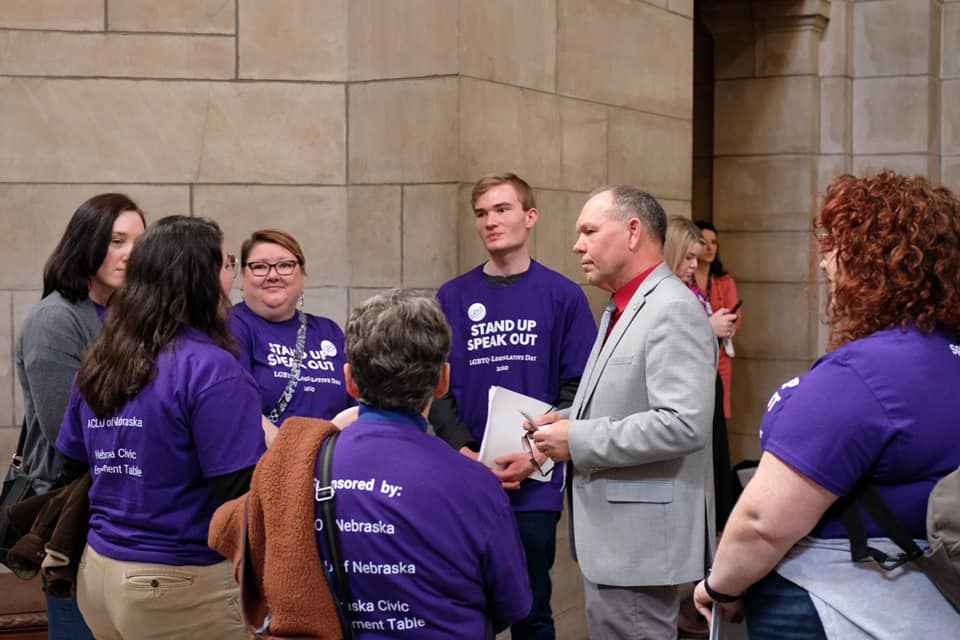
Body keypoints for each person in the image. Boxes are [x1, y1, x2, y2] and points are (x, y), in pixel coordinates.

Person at [693, 171, 960, 639]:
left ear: (873, 260)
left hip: (836, 604)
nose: (824, 264)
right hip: (927, 606)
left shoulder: (863, 375)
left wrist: (720, 588)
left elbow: (761, 524)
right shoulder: (946, 356)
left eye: (835, 246)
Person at [55, 216, 266, 639]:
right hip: (177, 582)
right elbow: (238, 498)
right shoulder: (213, 369)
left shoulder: (102, 358)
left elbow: (69, 462)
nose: (233, 275)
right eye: (225, 263)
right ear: (202, 278)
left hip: (99, 573)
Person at [529, 186, 717, 639]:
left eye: (590, 231)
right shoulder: (621, 305)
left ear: (633, 232)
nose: (578, 245)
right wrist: (564, 419)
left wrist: (576, 440)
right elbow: (619, 398)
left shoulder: (671, 308)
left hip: (640, 548)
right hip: (619, 541)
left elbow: (683, 423)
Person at [429, 173, 596, 639]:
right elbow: (437, 387)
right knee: (463, 609)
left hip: (534, 480)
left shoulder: (562, 295)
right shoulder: (453, 296)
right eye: (481, 213)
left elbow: (579, 390)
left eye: (502, 209)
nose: (490, 222)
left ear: (530, 216)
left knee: (530, 610)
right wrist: (462, 451)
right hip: (465, 478)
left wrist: (539, 453)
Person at [14, 193, 144, 640]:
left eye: (138, 242)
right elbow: (63, 432)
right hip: (70, 513)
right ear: (85, 244)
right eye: (116, 240)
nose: (130, 254)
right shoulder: (56, 319)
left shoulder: (127, 316)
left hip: (121, 505)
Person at [664, 216, 736, 638]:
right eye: (688, 256)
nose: (694, 264)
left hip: (707, 403)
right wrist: (706, 330)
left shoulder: (692, 293)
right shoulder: (668, 299)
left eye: (698, 257)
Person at [230, 229, 353, 441]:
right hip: (266, 464)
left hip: (331, 463)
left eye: (285, 265)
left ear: (302, 275)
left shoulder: (329, 331)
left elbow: (357, 404)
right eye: (259, 267)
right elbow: (238, 408)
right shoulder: (232, 326)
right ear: (243, 276)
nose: (273, 275)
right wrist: (295, 456)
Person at [694, 221, 740, 419]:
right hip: (694, 352)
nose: (710, 247)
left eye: (714, 242)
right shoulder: (684, 278)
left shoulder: (724, 281)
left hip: (720, 353)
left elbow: (736, 319)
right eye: (704, 242)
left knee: (719, 410)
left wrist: (727, 323)